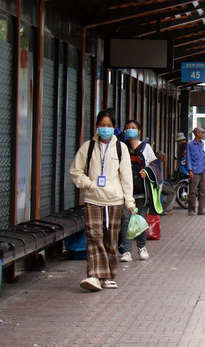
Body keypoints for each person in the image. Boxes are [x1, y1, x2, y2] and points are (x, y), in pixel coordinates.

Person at [69, 110, 135, 292]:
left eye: (109, 125)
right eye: (102, 125)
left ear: (114, 127)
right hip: (93, 200)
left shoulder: (121, 148)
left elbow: (126, 177)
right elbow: (76, 171)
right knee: (94, 235)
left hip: (114, 201)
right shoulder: (88, 147)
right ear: (97, 126)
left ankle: (108, 276)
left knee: (111, 239)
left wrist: (129, 201)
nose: (105, 129)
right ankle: (94, 276)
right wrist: (89, 184)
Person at [117, 119, 157, 262]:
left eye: (133, 128)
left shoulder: (146, 148)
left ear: (139, 131)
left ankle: (141, 247)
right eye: (128, 128)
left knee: (141, 220)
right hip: (126, 192)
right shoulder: (121, 147)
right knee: (126, 220)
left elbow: (155, 166)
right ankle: (126, 251)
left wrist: (147, 172)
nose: (130, 130)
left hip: (142, 191)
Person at [186, 126, 205, 215]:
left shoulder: (202, 144)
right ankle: (191, 210)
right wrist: (190, 170)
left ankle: (201, 210)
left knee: (204, 190)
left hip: (203, 169)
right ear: (197, 134)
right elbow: (188, 157)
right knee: (193, 191)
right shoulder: (190, 144)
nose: (203, 134)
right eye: (201, 133)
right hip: (194, 170)